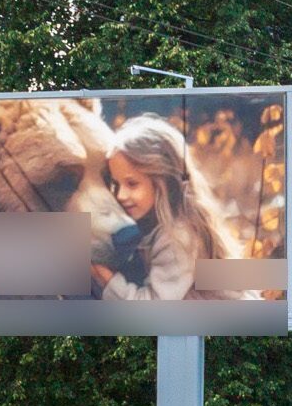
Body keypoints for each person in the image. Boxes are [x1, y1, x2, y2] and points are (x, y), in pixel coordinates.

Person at [92, 114, 240, 302]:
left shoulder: (177, 237)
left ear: (163, 182)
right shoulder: (158, 224)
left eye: (132, 184)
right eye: (116, 184)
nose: (120, 195)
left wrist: (106, 278)